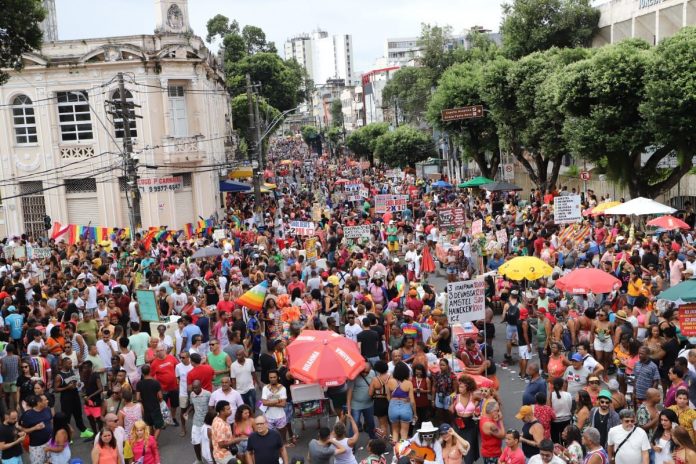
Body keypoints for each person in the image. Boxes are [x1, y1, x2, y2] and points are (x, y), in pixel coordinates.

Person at [150, 343, 180, 428]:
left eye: (161, 350)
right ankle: (165, 420)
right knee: (163, 406)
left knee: (174, 405)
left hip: (174, 387)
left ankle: (173, 418)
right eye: (158, 351)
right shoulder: (154, 363)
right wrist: (156, 388)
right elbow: (151, 376)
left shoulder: (171, 358)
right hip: (163, 389)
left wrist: (178, 379)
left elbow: (177, 368)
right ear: (155, 352)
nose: (160, 352)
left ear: (165, 350)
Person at [387, 361, 416, 443]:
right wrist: (415, 413)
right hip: (406, 408)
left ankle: (395, 454)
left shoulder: (389, 382)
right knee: (404, 433)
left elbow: (388, 397)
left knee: (395, 431)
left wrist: (394, 403)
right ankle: (402, 453)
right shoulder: (409, 383)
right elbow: (412, 401)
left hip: (393, 408)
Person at [20, 395, 52, 464]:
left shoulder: (48, 409)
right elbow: (23, 430)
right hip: (37, 447)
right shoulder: (28, 415)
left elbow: (50, 421)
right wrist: (35, 428)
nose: (47, 401)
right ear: (38, 403)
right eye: (45, 400)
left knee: (51, 462)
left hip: (49, 443)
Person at [346, 362, 376, 440]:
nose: (365, 374)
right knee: (354, 424)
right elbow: (349, 393)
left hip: (369, 404)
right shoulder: (353, 376)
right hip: (356, 405)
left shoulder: (373, 373)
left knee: (371, 423)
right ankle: (351, 444)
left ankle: (373, 439)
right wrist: (348, 409)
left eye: (367, 372)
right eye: (363, 372)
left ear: (370, 370)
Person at [134, 364, 163, 439]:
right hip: (155, 407)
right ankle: (154, 440)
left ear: (142, 373)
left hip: (146, 408)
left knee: (149, 425)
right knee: (159, 425)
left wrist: (142, 401)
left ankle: (152, 439)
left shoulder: (139, 384)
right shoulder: (156, 383)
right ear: (150, 371)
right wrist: (159, 401)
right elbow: (160, 396)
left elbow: (137, 398)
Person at [188, 380, 212, 464]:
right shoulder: (192, 394)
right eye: (193, 388)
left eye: (196, 388)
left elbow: (212, 408)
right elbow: (192, 405)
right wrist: (187, 412)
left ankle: (211, 460)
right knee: (195, 441)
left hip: (206, 423)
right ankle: (199, 460)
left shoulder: (208, 394)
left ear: (201, 386)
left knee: (208, 443)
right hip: (196, 422)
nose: (194, 390)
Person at [479, 400, 504, 464]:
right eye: (498, 410)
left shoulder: (484, 417)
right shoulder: (490, 425)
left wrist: (496, 419)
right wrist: (500, 420)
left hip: (487, 451)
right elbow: (502, 435)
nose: (499, 412)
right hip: (492, 454)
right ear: (493, 411)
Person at [550, 376, 573, 443]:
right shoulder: (568, 394)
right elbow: (570, 406)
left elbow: (549, 408)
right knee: (566, 440)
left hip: (555, 421)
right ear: (562, 385)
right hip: (566, 420)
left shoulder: (552, 395)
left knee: (555, 441)